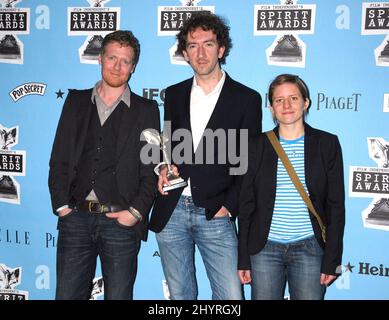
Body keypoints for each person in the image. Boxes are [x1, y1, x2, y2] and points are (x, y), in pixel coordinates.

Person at [149, 12, 262, 300]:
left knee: (230, 298)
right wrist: (162, 168)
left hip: (216, 213)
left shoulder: (246, 99)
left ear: (221, 49)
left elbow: (248, 163)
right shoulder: (173, 95)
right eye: (192, 45)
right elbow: (168, 148)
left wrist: (229, 207)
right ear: (184, 53)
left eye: (208, 44)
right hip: (172, 210)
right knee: (180, 296)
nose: (200, 53)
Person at [48, 30, 160, 300]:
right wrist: (62, 206)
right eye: (112, 58)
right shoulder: (75, 102)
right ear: (100, 59)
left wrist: (135, 212)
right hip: (75, 219)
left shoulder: (147, 110)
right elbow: (59, 158)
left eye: (125, 61)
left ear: (133, 67)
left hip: (120, 223)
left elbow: (151, 168)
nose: (117, 66)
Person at [238, 74, 345, 300]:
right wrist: (243, 258)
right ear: (271, 107)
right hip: (264, 248)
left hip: (310, 248)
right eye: (279, 100)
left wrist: (332, 260)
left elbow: (335, 207)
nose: (286, 106)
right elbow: (246, 205)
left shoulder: (327, 144)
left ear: (305, 103)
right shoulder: (256, 145)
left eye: (293, 98)